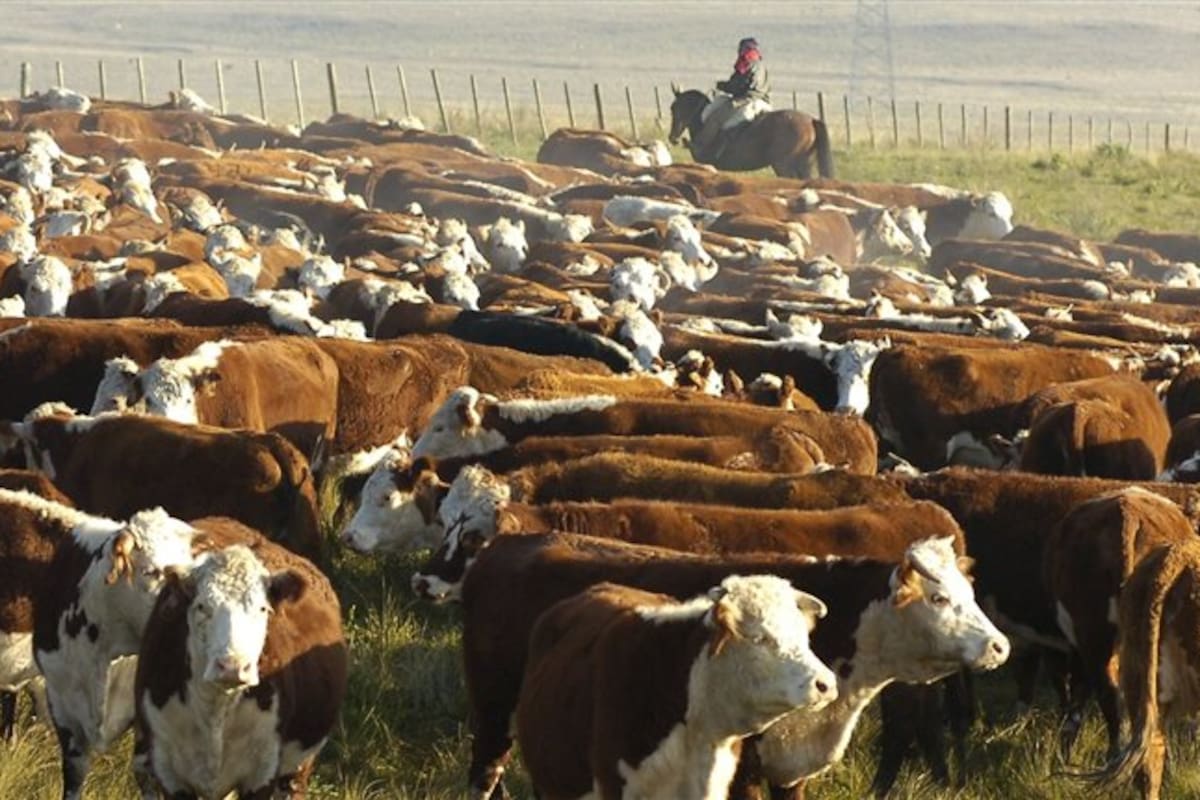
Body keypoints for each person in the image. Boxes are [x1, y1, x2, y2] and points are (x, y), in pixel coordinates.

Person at [694, 37, 772, 161]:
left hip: (746, 98)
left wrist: (722, 86)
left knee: (715, 118)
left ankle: (701, 146)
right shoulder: (760, 63)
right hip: (763, 99)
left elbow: (738, 85)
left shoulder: (746, 62)